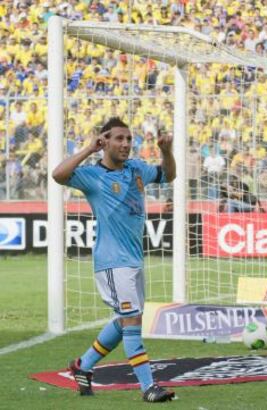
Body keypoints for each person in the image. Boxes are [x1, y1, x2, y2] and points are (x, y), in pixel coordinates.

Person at [52, 117, 176, 402]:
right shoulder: (92, 176)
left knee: (125, 322)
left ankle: (82, 367)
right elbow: (58, 175)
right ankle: (148, 388)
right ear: (104, 141)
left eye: (129, 139)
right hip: (112, 261)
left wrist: (166, 151)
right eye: (119, 138)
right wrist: (88, 149)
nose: (125, 144)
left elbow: (168, 175)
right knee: (131, 320)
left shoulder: (136, 169)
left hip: (133, 259)